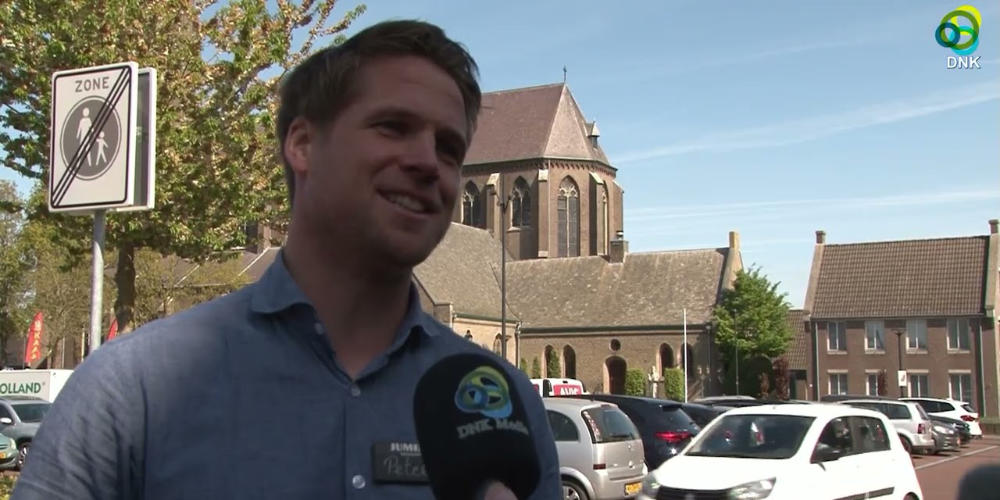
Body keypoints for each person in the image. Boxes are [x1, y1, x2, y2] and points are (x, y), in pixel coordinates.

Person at [13, 20, 560, 500]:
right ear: (301, 144)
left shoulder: (504, 407)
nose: (426, 161)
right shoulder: (130, 393)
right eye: (393, 127)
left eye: (448, 148)